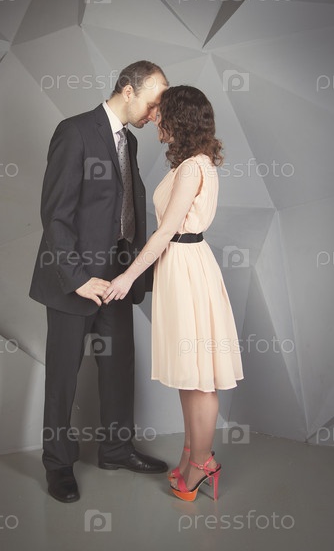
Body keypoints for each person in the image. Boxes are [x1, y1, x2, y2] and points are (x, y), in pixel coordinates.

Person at [29, 61, 169, 503]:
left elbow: (122, 207)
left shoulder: (129, 141)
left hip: (118, 279)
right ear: (128, 91)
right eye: (153, 103)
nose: (156, 114)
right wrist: (77, 279)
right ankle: (57, 464)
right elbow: (55, 215)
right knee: (63, 378)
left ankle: (115, 450)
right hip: (74, 279)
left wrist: (133, 271)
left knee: (118, 367)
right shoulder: (74, 132)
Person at [103, 85, 244, 502]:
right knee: (190, 372)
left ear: (179, 119)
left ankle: (202, 464)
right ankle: (190, 456)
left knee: (199, 376)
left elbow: (166, 231)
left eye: (161, 114)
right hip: (184, 264)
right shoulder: (196, 163)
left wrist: (128, 277)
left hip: (184, 265)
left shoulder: (190, 169)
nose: (154, 120)